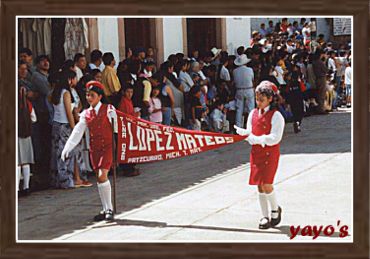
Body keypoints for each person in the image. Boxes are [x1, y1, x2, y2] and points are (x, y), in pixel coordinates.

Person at [61, 80, 118, 221]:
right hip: (95, 149)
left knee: (102, 175)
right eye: (87, 95)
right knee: (99, 178)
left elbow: (117, 128)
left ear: (99, 96)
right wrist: (67, 148)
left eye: (92, 95)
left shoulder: (109, 109)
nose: (89, 98)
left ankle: (109, 208)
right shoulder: (86, 114)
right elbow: (77, 132)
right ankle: (105, 209)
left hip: (107, 147)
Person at [234, 80, 285, 229]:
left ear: (270, 99)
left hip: (270, 153)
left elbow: (275, 138)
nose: (258, 102)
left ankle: (275, 209)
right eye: (257, 99)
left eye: (262, 99)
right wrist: (246, 134)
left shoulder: (276, 116)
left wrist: (258, 139)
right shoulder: (252, 113)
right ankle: (264, 216)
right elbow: (250, 131)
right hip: (256, 154)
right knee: (259, 186)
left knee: (267, 184)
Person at [50, 70, 81, 189]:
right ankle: (66, 180)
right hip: (65, 125)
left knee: (57, 152)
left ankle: (56, 179)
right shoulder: (66, 93)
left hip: (56, 124)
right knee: (66, 153)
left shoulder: (54, 93)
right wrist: (74, 128)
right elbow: (69, 112)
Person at [18, 61, 37, 196]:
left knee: (17, 162)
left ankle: (18, 188)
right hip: (26, 131)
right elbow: (34, 118)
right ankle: (26, 187)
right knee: (25, 161)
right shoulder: (28, 104)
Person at [118, 84, 141, 177]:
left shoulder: (129, 101)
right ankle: (128, 170)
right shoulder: (123, 102)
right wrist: (136, 114)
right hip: (126, 129)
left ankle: (131, 167)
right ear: (124, 92)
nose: (130, 94)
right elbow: (126, 116)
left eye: (131, 92)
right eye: (128, 92)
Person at [233, 54, 255, 128]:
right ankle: (251, 126)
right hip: (248, 89)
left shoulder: (234, 71)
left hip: (239, 90)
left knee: (239, 109)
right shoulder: (250, 70)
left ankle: (238, 126)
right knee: (250, 108)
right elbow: (252, 79)